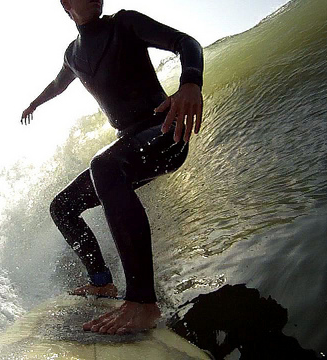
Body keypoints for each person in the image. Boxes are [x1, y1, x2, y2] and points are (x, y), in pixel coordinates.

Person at [20, 0, 204, 335]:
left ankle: (142, 302)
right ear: (65, 5)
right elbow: (59, 84)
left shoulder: (125, 24)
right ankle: (101, 282)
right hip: (129, 143)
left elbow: (185, 42)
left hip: (164, 129)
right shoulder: (72, 55)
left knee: (103, 166)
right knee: (62, 207)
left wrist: (190, 82)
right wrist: (35, 102)